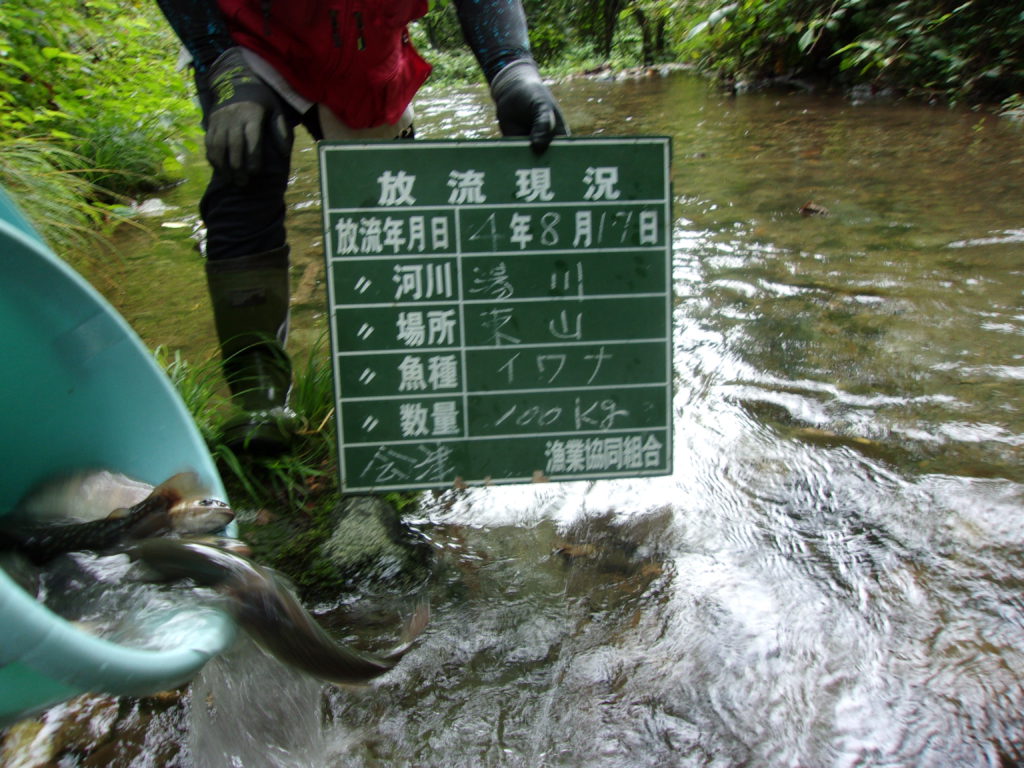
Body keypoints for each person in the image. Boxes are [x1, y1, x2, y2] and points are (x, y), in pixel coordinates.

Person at [153, 0, 569, 453]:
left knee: (388, 205)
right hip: (250, 36)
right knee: (247, 159)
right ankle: (260, 400)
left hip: (364, 53)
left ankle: (401, 385)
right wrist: (220, 61)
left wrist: (512, 69)